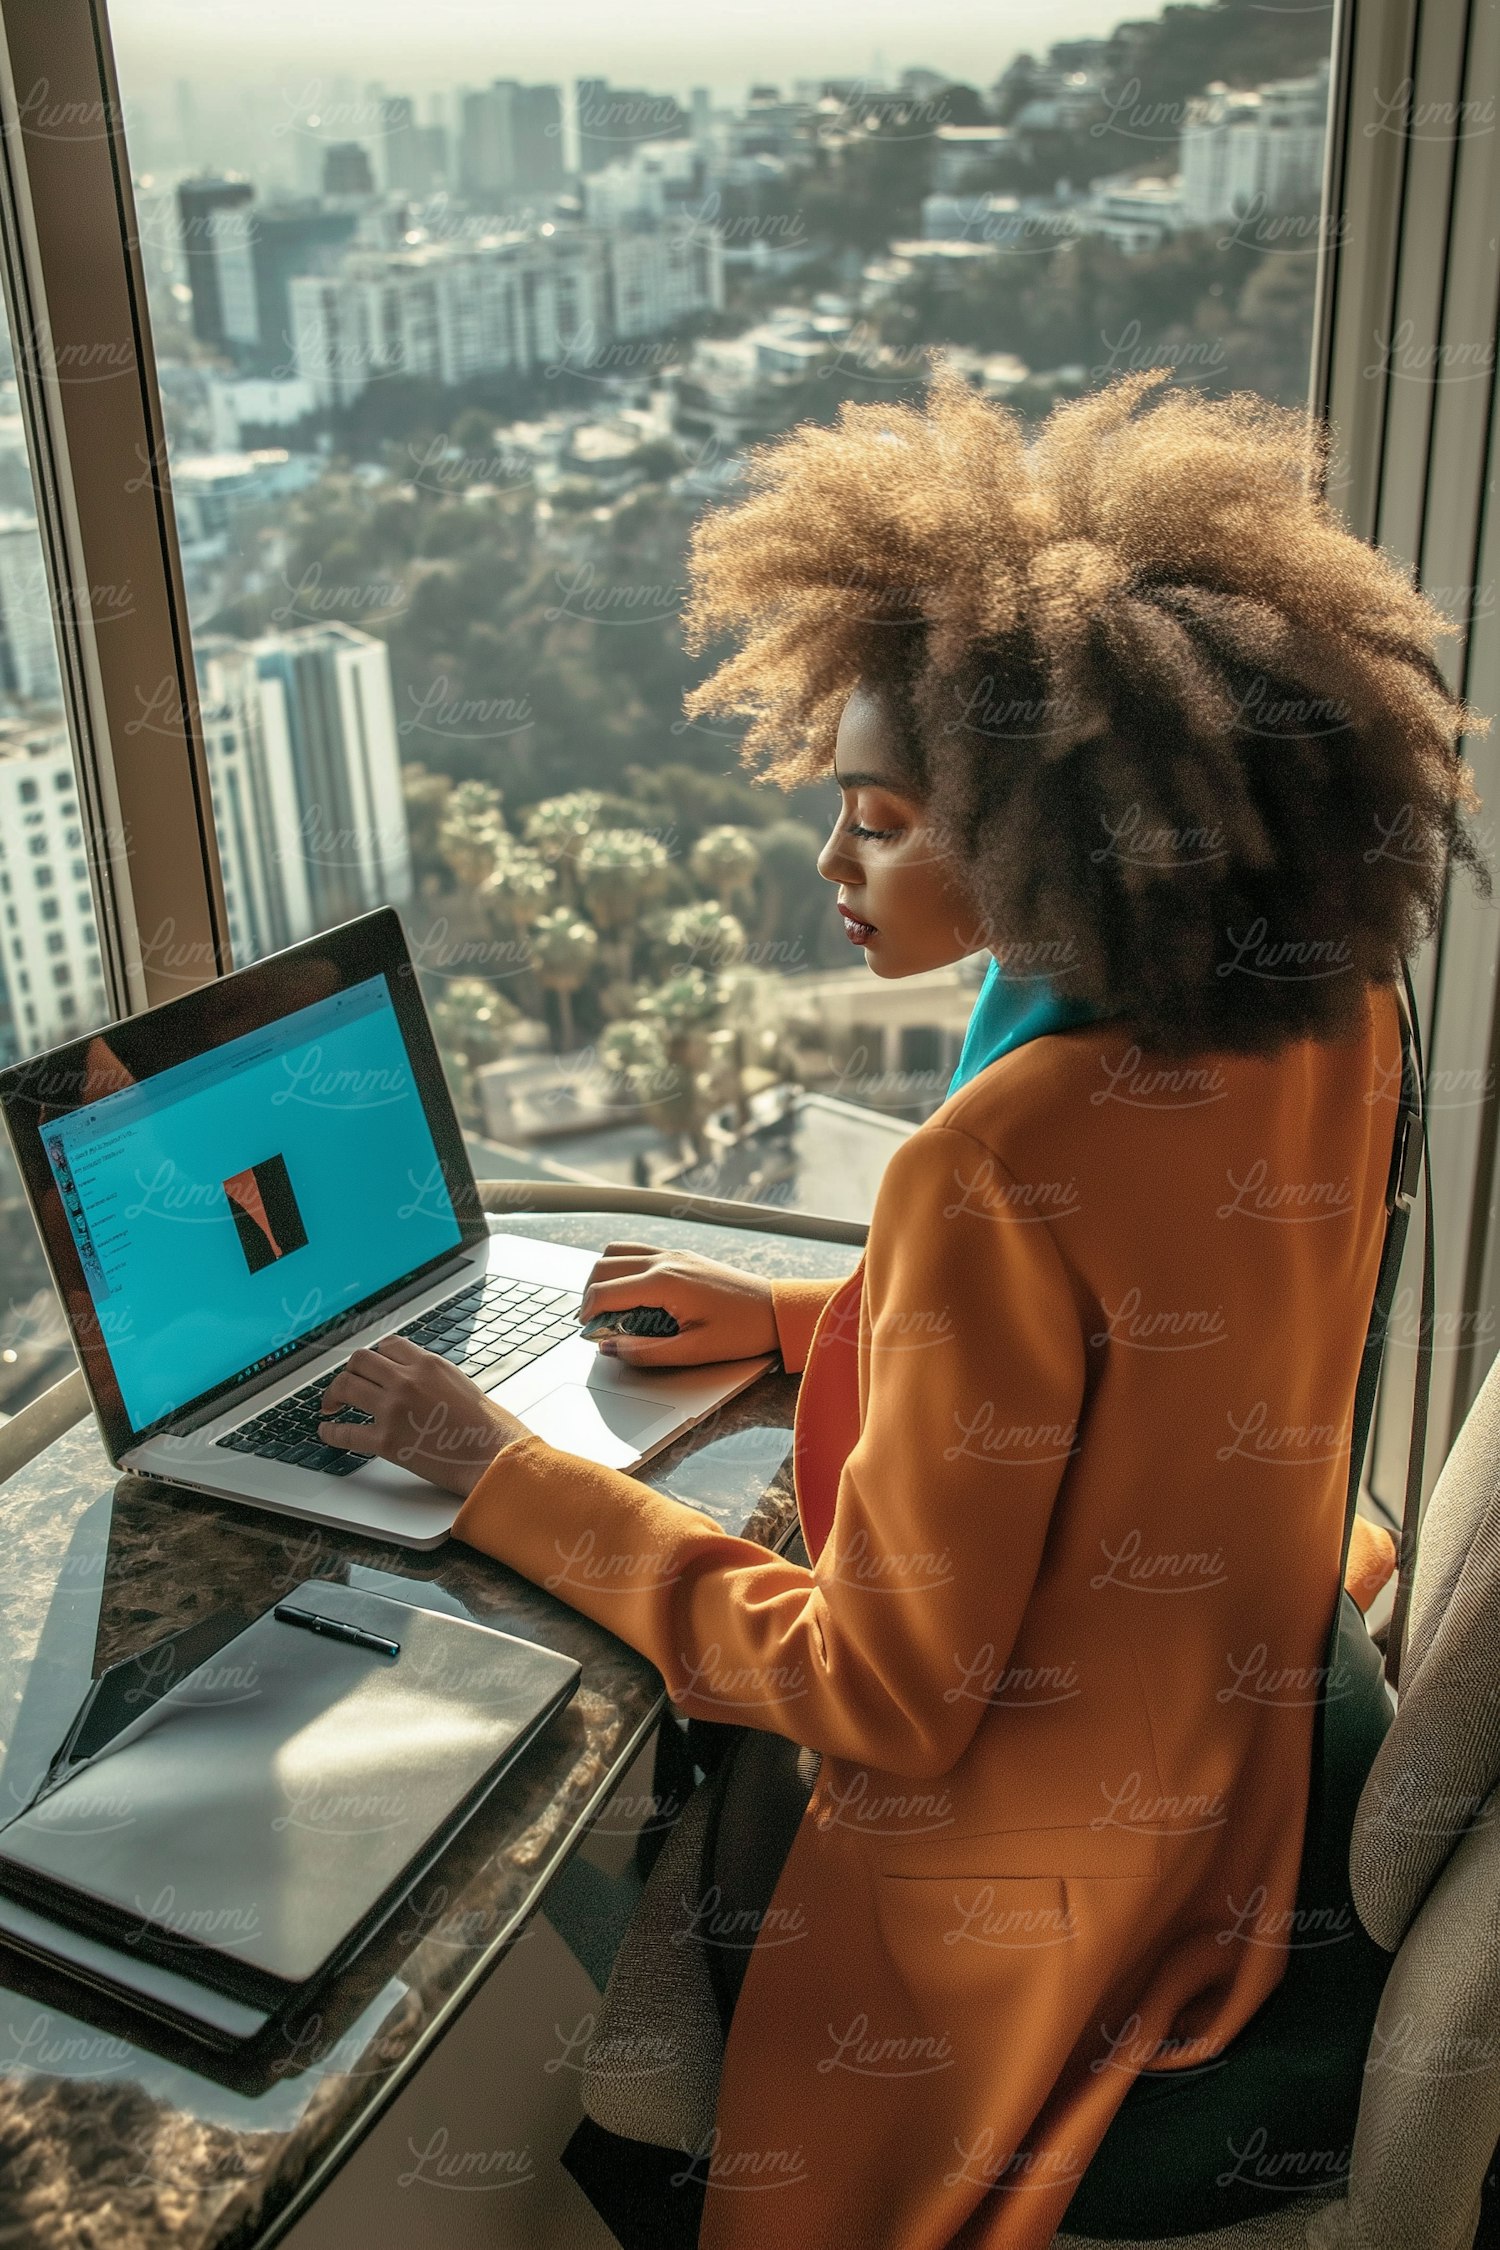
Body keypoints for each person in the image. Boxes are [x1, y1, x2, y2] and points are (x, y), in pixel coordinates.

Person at [316, 368, 1489, 2249]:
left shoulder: (987, 1163)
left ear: (1055, 838)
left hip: (1049, 1886)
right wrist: (810, 1318)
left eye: (874, 820)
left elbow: (886, 1690)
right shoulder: (1316, 1002)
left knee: (568, 1848)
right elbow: (1168, 1312)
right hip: (1234, 1740)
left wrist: (496, 1475)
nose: (831, 868)